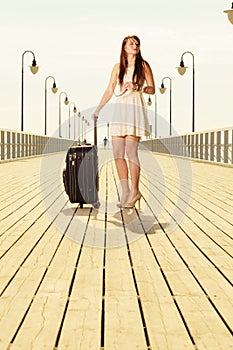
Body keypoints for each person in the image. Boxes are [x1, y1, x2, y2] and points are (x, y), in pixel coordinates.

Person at [92, 35, 155, 208]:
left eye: (137, 43)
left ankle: (135, 191)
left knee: (131, 152)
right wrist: (98, 109)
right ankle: (126, 191)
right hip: (120, 111)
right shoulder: (117, 67)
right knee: (117, 153)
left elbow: (152, 89)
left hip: (134, 109)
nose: (135, 45)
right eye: (131, 43)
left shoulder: (143, 66)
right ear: (124, 47)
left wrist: (137, 86)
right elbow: (109, 89)